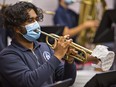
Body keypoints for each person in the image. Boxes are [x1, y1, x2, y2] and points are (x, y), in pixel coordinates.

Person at [0, 1, 77, 87]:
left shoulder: (45, 47)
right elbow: (29, 82)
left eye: (36, 19)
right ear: (17, 28)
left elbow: (67, 80)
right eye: (30, 20)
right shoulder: (7, 56)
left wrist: (69, 61)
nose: (35, 24)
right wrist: (57, 56)